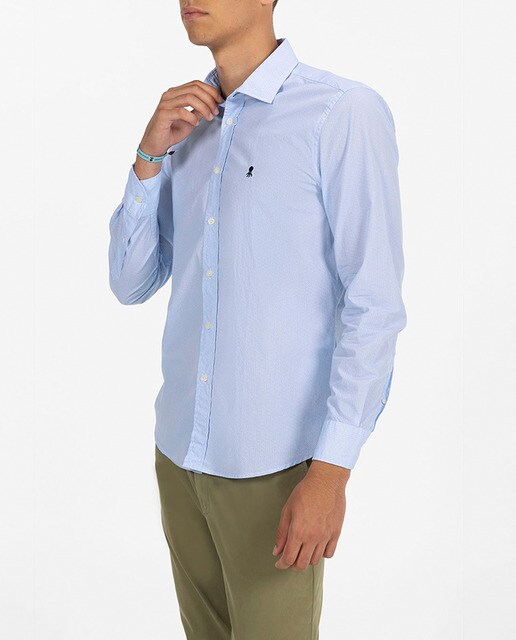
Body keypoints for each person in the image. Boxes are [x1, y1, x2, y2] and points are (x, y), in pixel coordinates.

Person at [107, 1, 407, 638]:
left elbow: (374, 305)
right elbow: (131, 283)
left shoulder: (341, 113)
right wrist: (148, 156)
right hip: (180, 455)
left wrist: (331, 473)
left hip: (274, 466)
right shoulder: (186, 123)